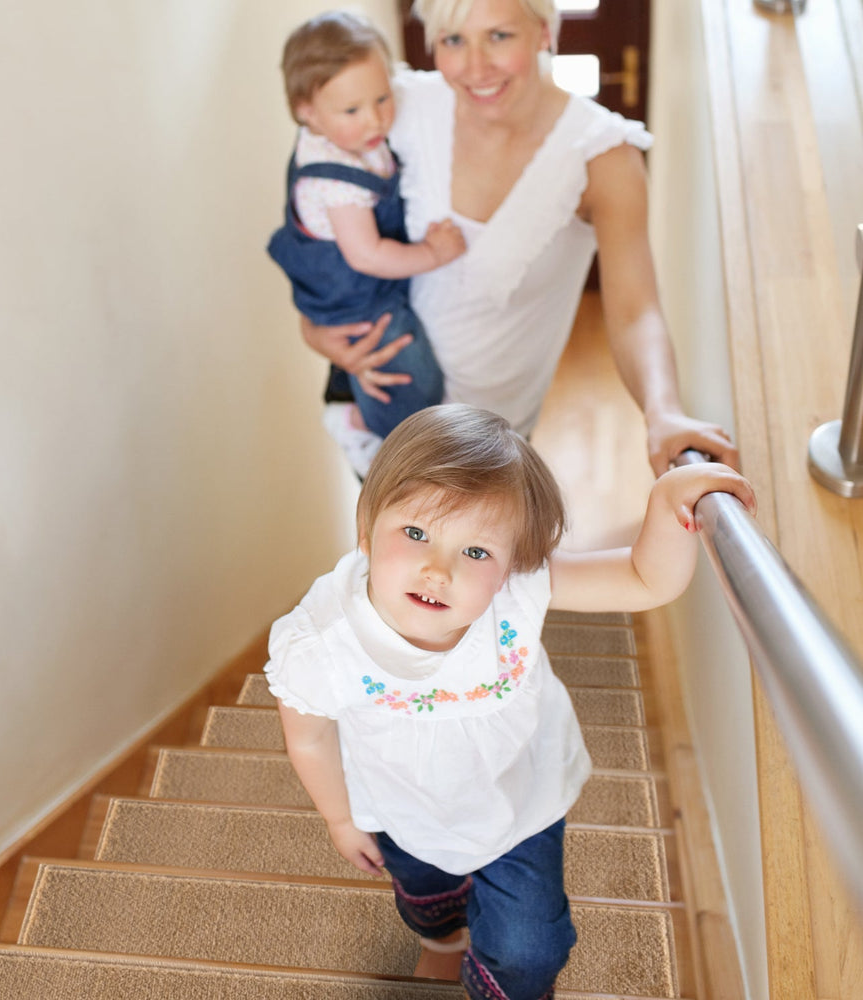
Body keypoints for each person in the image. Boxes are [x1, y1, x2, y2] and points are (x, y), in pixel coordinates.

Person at [265, 404, 755, 1000]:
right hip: (399, 806)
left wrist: (669, 501)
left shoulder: (516, 592)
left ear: (510, 568)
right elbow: (310, 738)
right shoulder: (319, 643)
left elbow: (643, 578)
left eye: (477, 552)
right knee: (426, 897)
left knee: (531, 949)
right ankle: (444, 942)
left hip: (519, 800)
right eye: (415, 533)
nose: (438, 570)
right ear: (365, 528)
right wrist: (340, 819)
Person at [299, 0, 739, 477]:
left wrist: (664, 411)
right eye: (453, 40)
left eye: (499, 36)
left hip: (488, 445)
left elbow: (636, 312)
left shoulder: (604, 157)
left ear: (544, 31)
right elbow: (313, 217)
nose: (475, 68)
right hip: (383, 416)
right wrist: (315, 329)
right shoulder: (395, 108)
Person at [268, 11, 466, 473]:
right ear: (307, 111)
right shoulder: (335, 181)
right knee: (411, 381)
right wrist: (433, 253)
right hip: (357, 302)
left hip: (364, 287)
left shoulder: (343, 136)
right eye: (353, 110)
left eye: (382, 98)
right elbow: (367, 255)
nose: (376, 118)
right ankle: (362, 428)